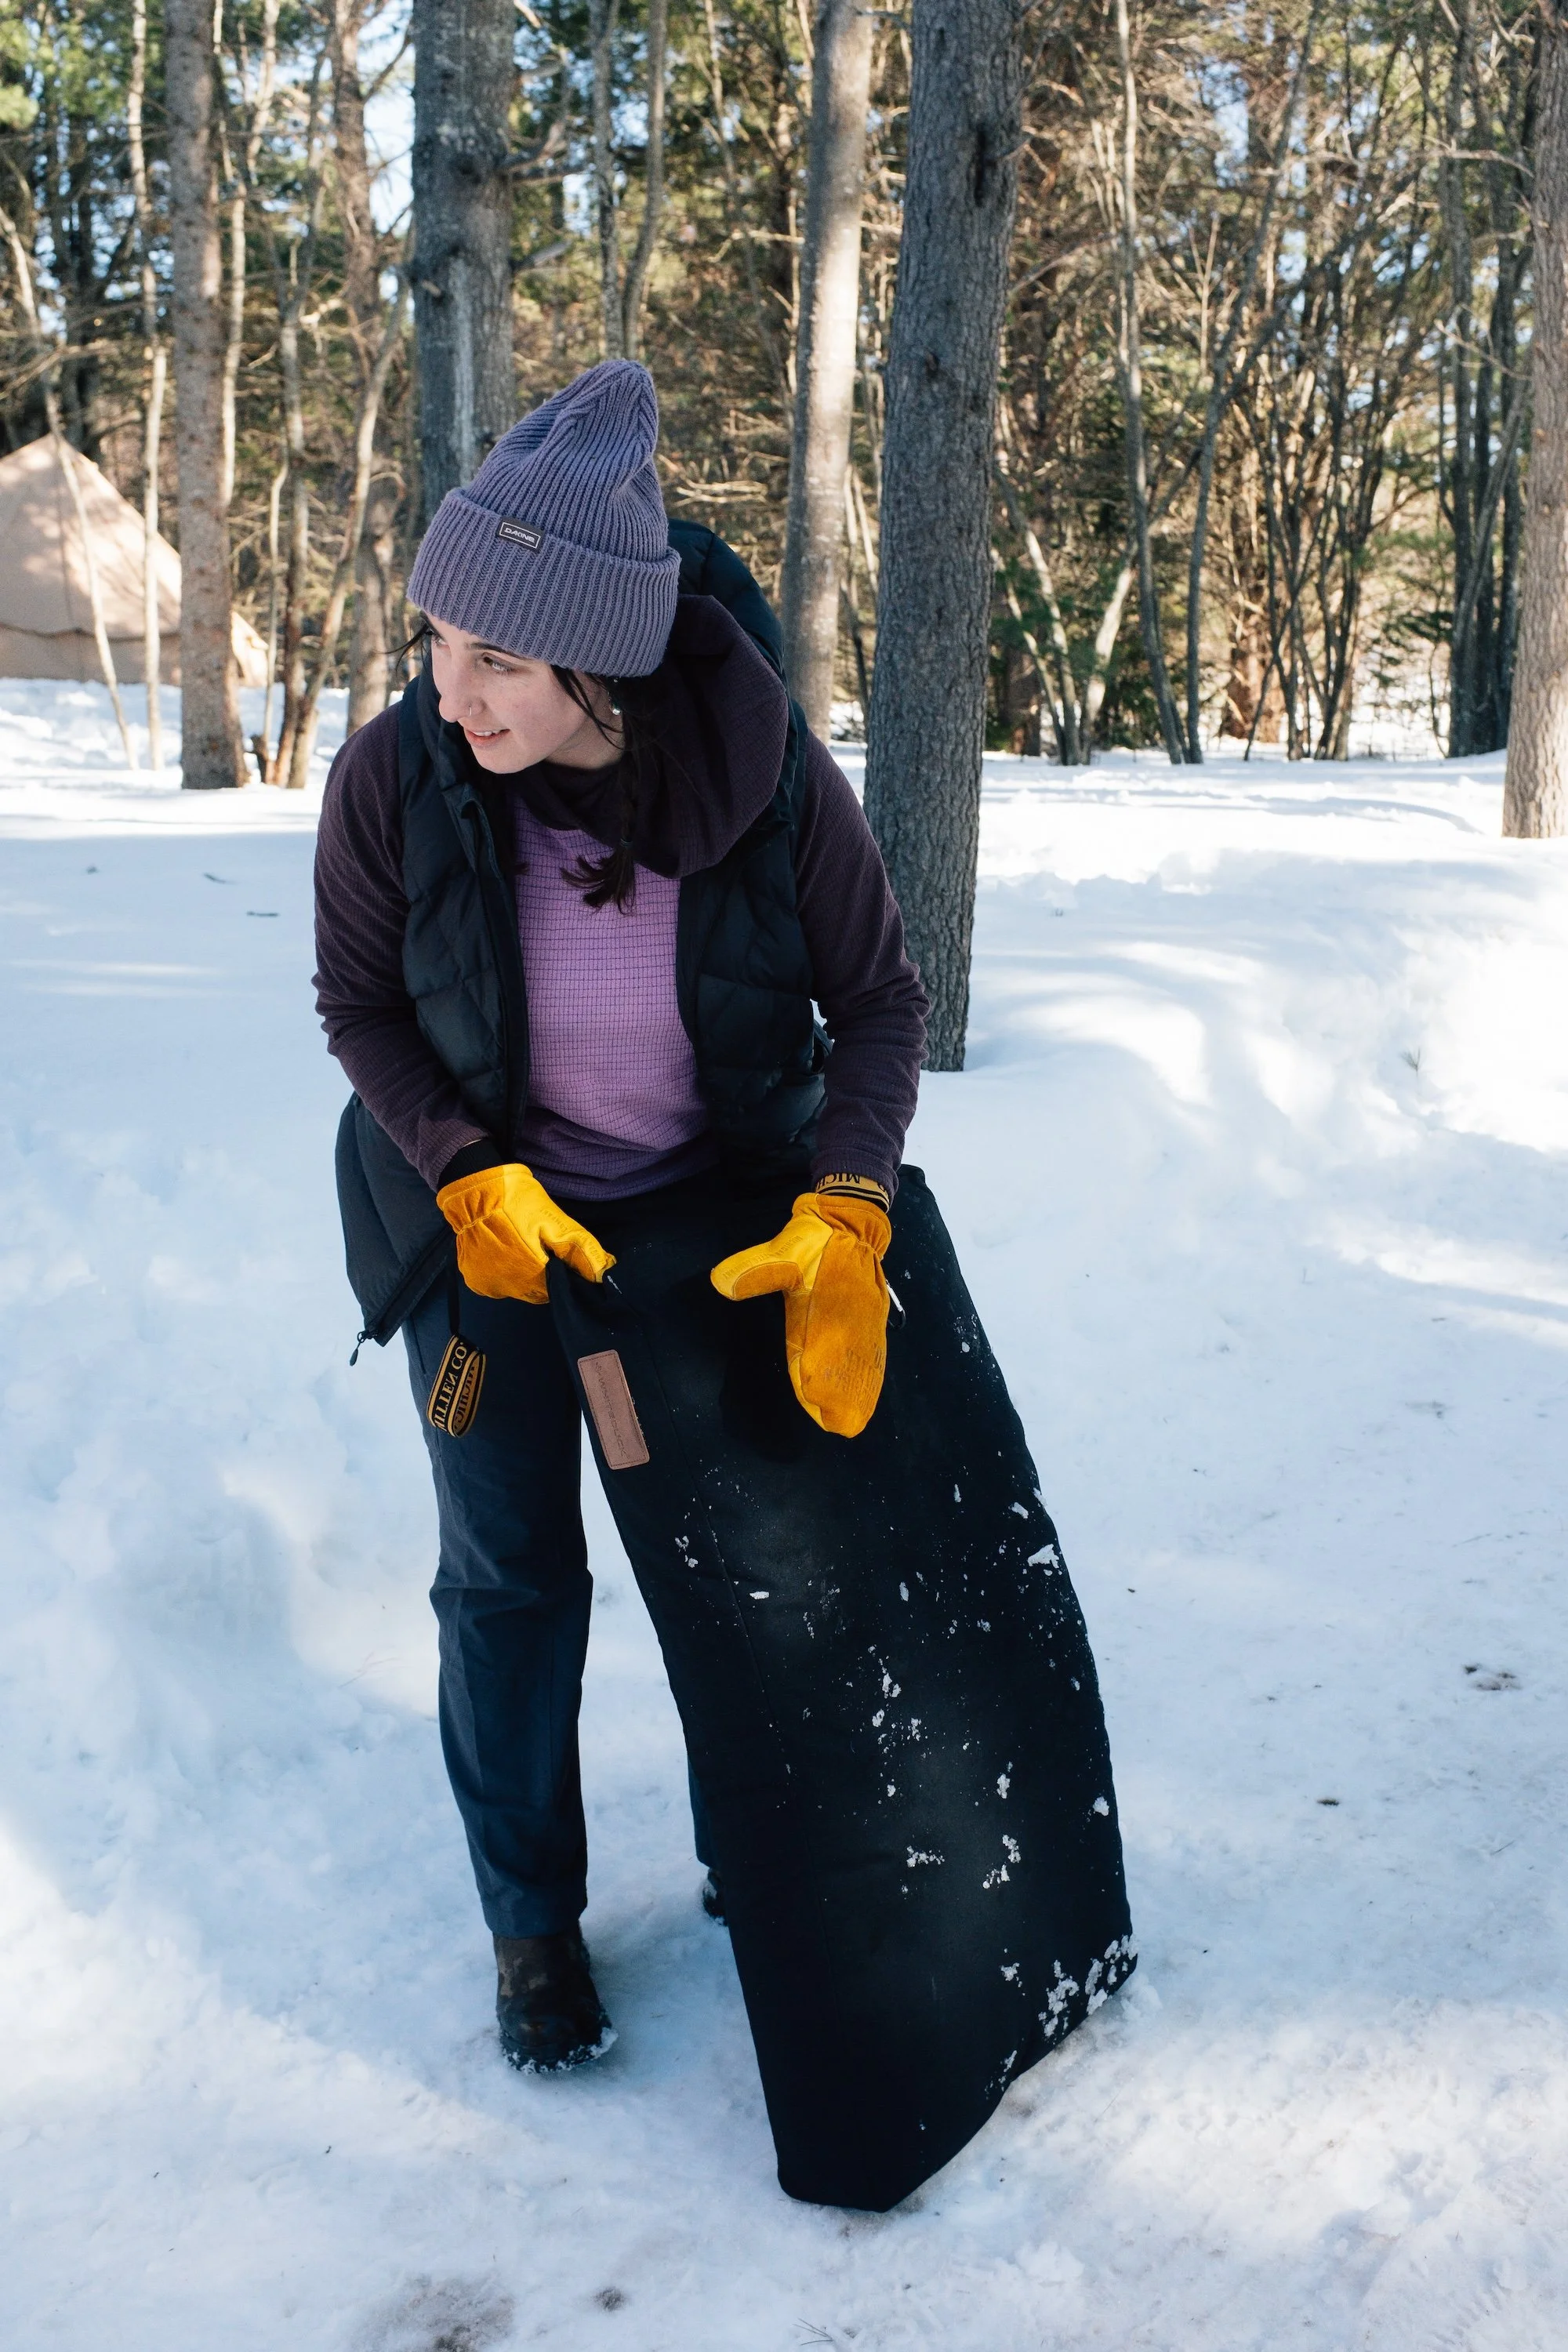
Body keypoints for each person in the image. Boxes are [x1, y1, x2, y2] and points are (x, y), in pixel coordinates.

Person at [314, 359, 928, 2076]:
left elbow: (877, 999)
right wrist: (460, 1166)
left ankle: (765, 1851)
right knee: (509, 1582)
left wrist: (851, 1203)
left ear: (604, 656)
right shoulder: (394, 783)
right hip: (490, 1248)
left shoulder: (766, 776)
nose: (451, 692)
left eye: (497, 657)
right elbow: (357, 1007)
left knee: (751, 1574)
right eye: (436, 638)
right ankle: (530, 1928)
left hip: (709, 1233)